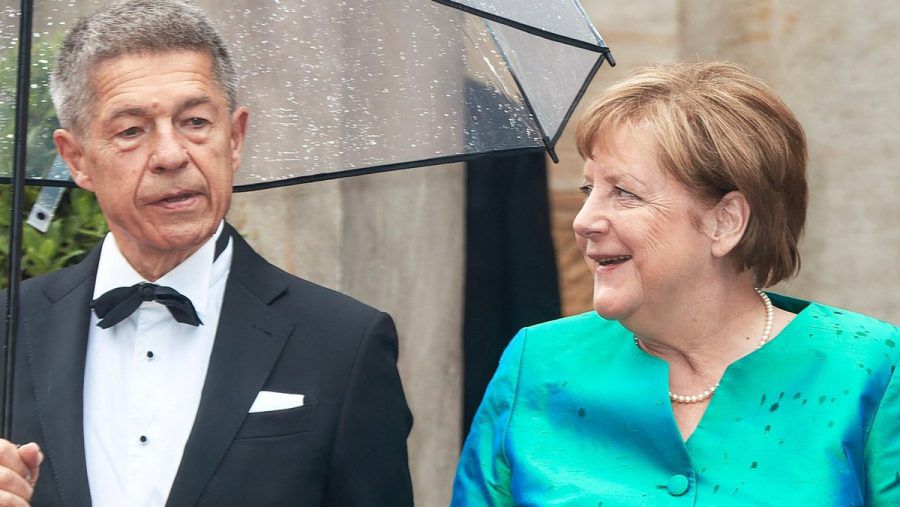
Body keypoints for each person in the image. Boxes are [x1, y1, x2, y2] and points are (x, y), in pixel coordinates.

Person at [0, 1, 413, 505]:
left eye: (195, 121)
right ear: (77, 159)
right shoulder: (8, 330)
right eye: (132, 130)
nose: (172, 155)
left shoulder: (344, 344)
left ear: (234, 137)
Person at [451, 61, 900, 505]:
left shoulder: (868, 366)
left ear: (724, 222)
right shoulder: (538, 364)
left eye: (623, 192)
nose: (584, 221)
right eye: (589, 190)